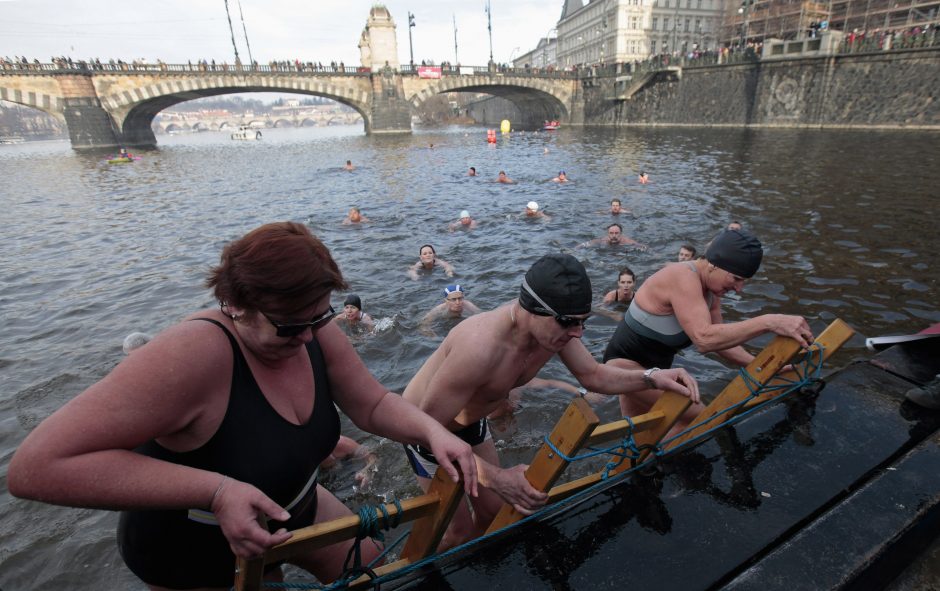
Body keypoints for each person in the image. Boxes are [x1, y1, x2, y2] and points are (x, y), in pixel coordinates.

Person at [8, 222, 477, 590]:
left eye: (322, 316)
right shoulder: (191, 355)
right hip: (193, 546)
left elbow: (372, 404)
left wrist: (430, 431)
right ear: (234, 304)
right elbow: (36, 468)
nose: (311, 336)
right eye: (292, 327)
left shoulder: (310, 327)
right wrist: (216, 491)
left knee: (379, 575)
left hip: (297, 504)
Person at [401, 253, 699, 549]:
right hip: (426, 428)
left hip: (470, 421)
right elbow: (429, 432)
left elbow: (593, 374)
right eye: (569, 322)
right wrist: (497, 477)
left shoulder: (552, 333)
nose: (578, 332)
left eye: (583, 322)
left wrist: (651, 376)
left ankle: (481, 567)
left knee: (493, 513)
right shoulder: (479, 349)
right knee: (456, 533)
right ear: (533, 309)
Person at [603, 228, 814, 422]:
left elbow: (723, 343)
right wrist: (770, 321)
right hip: (624, 369)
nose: (739, 289)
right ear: (713, 264)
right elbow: (704, 339)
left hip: (656, 371)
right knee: (698, 420)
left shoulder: (711, 291)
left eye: (744, 281)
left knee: (637, 438)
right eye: (736, 278)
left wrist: (764, 367)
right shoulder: (683, 277)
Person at [578, 223, 647, 250]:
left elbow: (643, 246)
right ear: (608, 234)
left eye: (616, 233)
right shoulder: (603, 240)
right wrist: (574, 250)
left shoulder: (627, 241)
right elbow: (585, 244)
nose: (614, 235)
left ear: (621, 234)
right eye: (611, 233)